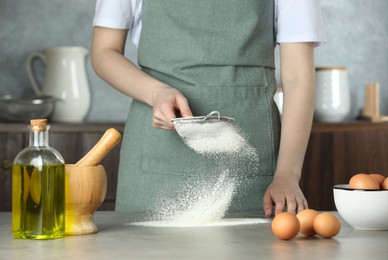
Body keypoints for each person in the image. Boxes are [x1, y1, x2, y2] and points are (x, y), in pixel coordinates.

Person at [91, 0, 325, 217]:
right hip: (154, 159)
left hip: (252, 165)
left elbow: (298, 77)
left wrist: (287, 175)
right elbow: (104, 52)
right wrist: (155, 93)